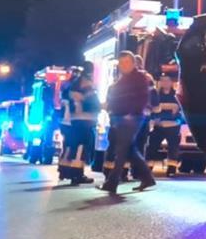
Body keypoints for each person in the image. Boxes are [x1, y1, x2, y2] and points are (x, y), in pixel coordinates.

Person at [98, 51, 155, 194]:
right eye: (121, 63)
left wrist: (131, 113)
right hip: (120, 118)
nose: (124, 65)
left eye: (127, 62)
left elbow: (142, 98)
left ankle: (112, 183)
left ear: (133, 63)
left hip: (132, 118)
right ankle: (148, 178)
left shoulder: (139, 78)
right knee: (129, 150)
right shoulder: (122, 80)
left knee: (121, 150)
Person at [60, 62, 100, 185]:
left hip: (74, 119)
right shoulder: (86, 83)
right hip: (85, 119)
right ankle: (77, 175)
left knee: (72, 145)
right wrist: (99, 107)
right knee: (81, 147)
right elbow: (92, 102)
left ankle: (66, 171)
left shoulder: (73, 83)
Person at [146, 74, 183, 177]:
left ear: (171, 82)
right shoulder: (156, 95)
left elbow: (181, 111)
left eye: (167, 80)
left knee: (173, 148)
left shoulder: (176, 96)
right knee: (152, 147)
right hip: (158, 126)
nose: (164, 83)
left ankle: (171, 169)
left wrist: (177, 120)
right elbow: (152, 109)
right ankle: (148, 169)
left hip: (173, 126)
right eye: (162, 80)